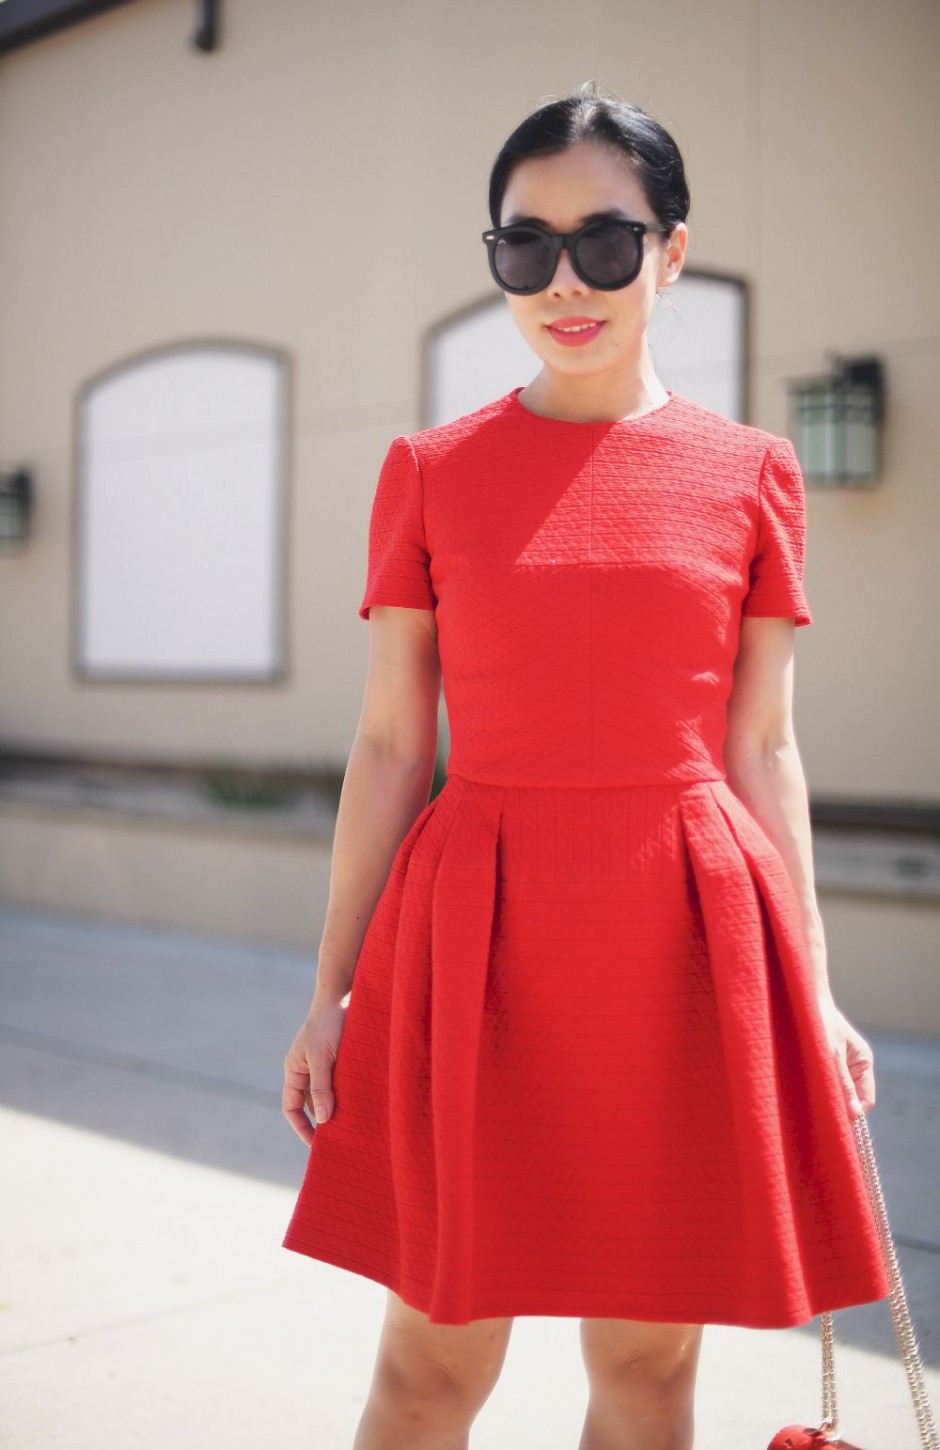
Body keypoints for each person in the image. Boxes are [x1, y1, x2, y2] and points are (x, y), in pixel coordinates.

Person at [280, 81, 891, 1450]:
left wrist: (818, 983)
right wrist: (330, 989)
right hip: (471, 948)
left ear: (672, 251)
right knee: (425, 1374)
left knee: (646, 1378)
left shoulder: (753, 474)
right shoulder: (431, 472)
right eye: (525, 245)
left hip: (678, 943)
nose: (566, 280)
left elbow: (763, 743)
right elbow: (389, 742)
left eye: (607, 244)